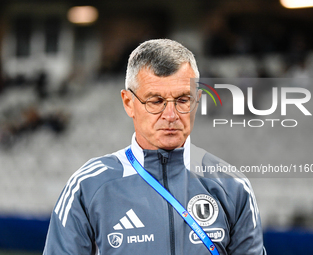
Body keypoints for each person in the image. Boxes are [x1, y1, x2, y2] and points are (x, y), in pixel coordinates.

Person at [43, 39, 266, 255]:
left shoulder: (232, 186)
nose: (171, 115)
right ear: (129, 103)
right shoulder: (88, 187)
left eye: (182, 100)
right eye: (156, 101)